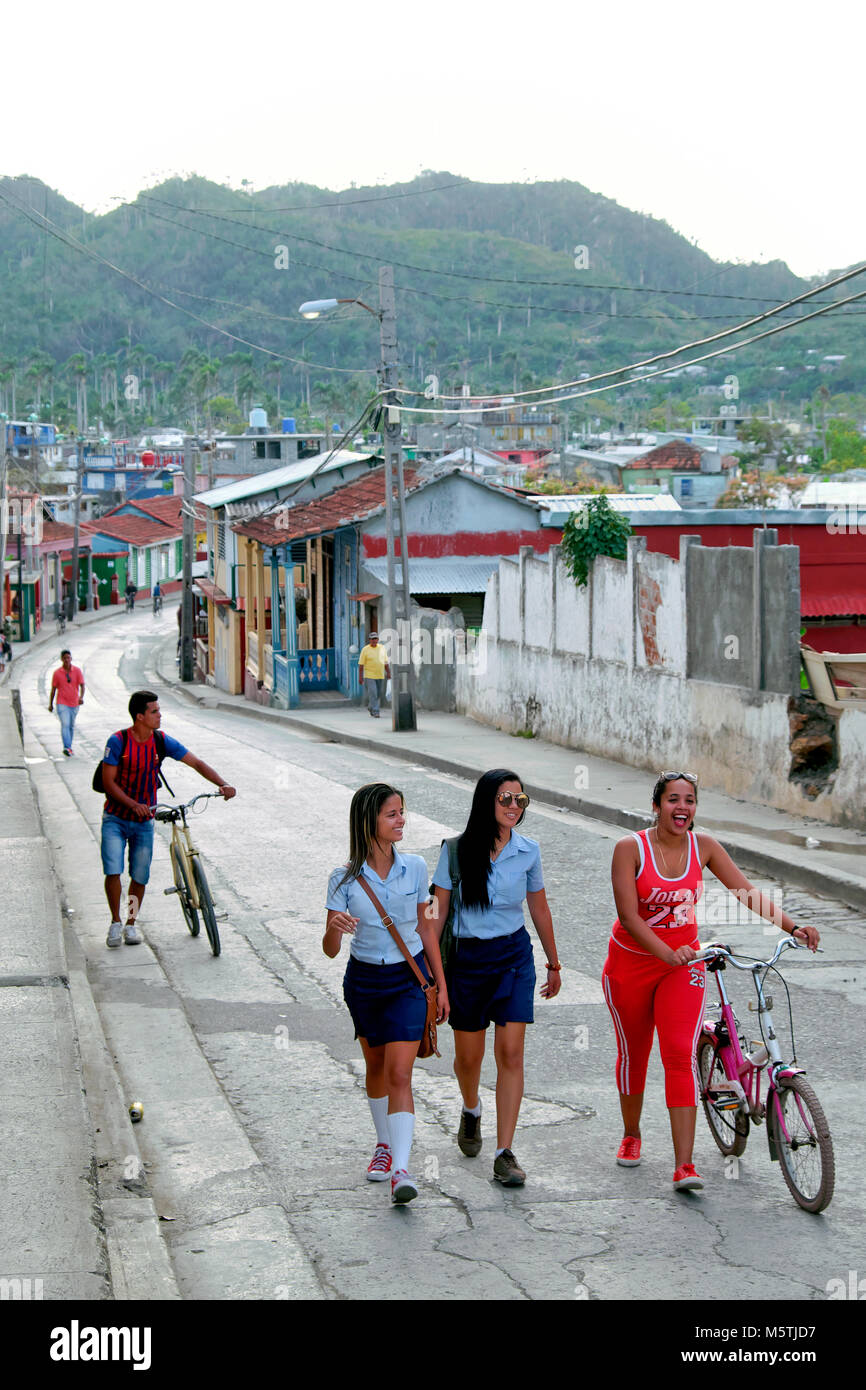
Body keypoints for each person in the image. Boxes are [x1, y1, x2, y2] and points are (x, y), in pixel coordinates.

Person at [604, 771, 821, 1193]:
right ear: (657, 805)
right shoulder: (630, 849)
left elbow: (745, 892)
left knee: (677, 1054)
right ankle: (632, 1133)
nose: (681, 808)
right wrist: (664, 952)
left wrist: (793, 927)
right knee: (634, 1052)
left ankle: (684, 1165)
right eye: (672, 800)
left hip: (684, 965)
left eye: (689, 801)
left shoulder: (704, 847)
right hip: (631, 964)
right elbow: (629, 915)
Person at [430, 769, 562, 1187]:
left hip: (513, 958)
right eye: (504, 799)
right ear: (486, 802)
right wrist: (434, 980)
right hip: (466, 962)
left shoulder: (528, 850)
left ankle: (505, 1152)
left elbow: (539, 908)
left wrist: (554, 963)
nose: (512, 807)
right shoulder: (455, 851)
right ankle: (471, 1109)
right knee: (469, 1058)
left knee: (511, 1054)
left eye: (519, 801)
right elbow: (437, 916)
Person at [324, 782, 448, 1205]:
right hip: (363, 982)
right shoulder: (342, 877)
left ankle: (401, 1168)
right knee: (375, 1068)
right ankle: (383, 1144)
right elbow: (329, 950)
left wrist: (440, 984)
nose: (401, 820)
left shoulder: (415, 867)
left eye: (402, 812)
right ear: (369, 822)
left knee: (400, 1073)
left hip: (409, 981)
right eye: (392, 814)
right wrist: (332, 929)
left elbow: (428, 925)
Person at [101, 689, 236, 948]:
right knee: (113, 870)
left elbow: (195, 762)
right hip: (116, 818)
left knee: (139, 876)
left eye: (159, 710)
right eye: (154, 711)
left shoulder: (160, 741)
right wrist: (133, 804)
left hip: (143, 822)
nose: (159, 715)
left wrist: (223, 783)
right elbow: (108, 783)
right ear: (139, 716)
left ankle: (130, 923)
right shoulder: (118, 741)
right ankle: (115, 921)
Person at [48, 649, 85, 756]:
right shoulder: (57, 673)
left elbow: (82, 685)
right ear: (61, 659)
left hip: (74, 703)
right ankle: (67, 747)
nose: (66, 660)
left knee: (71, 726)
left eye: (68, 658)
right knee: (65, 724)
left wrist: (81, 697)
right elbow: (53, 689)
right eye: (64, 658)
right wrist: (50, 704)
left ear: (71, 658)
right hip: (62, 702)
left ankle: (69, 746)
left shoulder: (77, 671)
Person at [357, 632, 390, 718]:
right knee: (373, 693)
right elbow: (361, 665)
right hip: (369, 675)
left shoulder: (382, 648)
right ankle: (376, 711)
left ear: (378, 640)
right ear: (369, 640)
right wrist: (360, 677)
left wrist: (388, 672)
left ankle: (371, 706)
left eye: (376, 638)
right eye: (372, 639)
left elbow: (385, 662)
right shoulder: (365, 649)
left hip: (380, 675)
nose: (374, 640)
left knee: (378, 694)